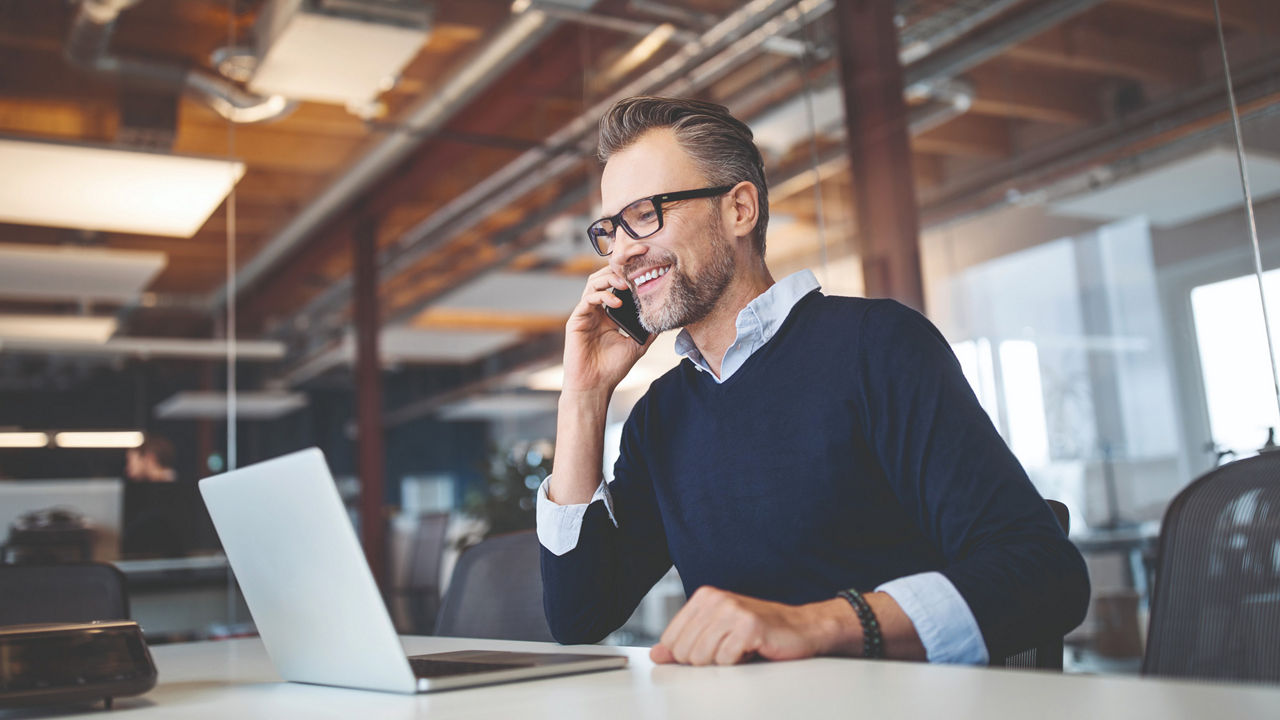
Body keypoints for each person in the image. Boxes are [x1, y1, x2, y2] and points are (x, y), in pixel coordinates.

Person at [537, 96, 1089, 666]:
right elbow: (580, 616)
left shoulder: (877, 346)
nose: (623, 251)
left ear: (739, 210)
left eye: (647, 213)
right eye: (610, 229)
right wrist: (583, 396)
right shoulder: (662, 416)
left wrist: (816, 625)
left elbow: (1043, 574)